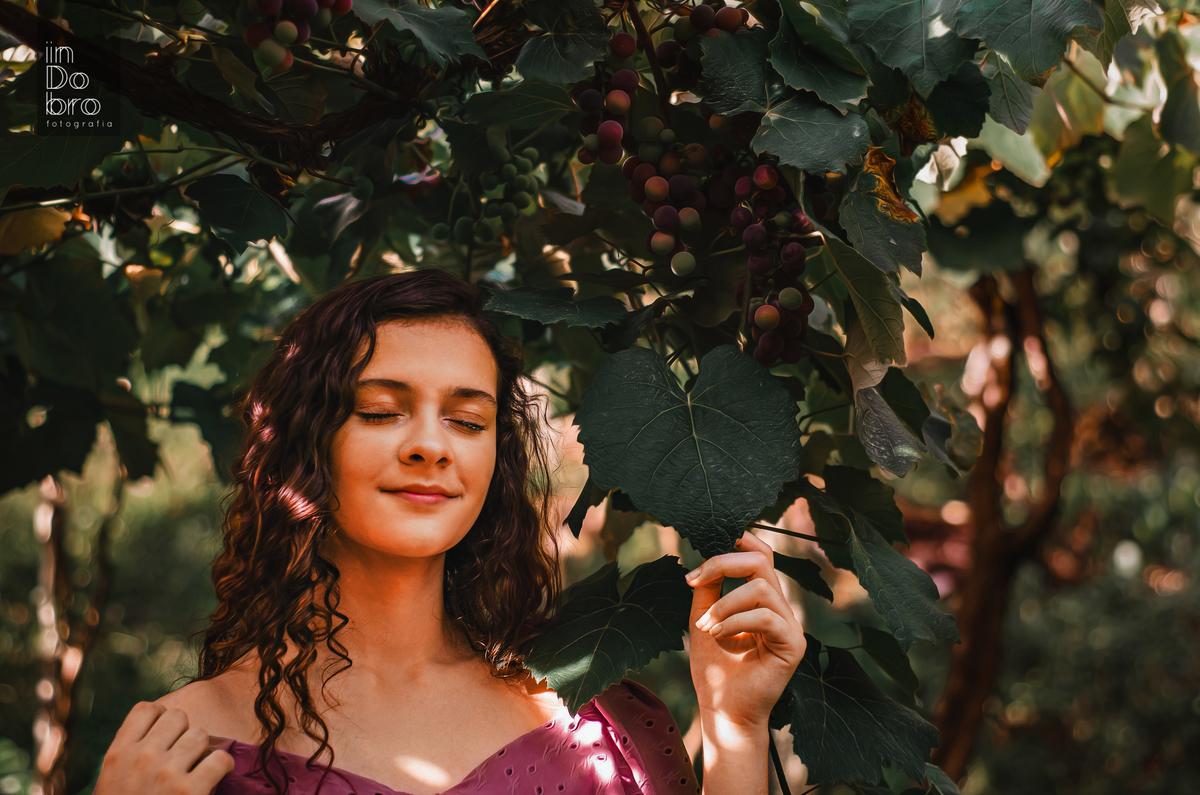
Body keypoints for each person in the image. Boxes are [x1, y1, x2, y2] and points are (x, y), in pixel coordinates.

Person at [93, 269, 807, 795]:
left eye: (467, 421)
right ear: (305, 443)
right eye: (379, 410)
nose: (431, 445)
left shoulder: (600, 723)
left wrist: (736, 728)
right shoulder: (178, 749)